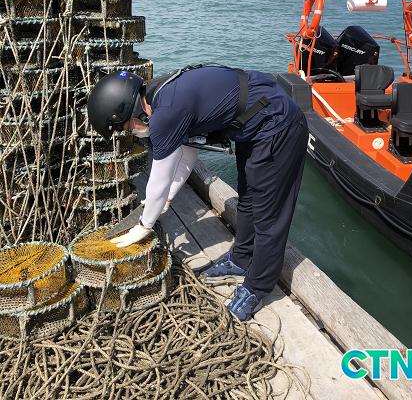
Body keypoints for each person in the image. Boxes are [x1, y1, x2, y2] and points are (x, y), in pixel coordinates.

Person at [87, 65, 308, 321]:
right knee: (247, 200)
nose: (132, 132)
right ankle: (241, 259)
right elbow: (187, 154)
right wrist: (168, 197)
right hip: (254, 124)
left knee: (269, 215)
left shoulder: (165, 115)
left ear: (131, 110)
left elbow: (159, 178)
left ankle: (257, 287)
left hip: (278, 124)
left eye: (127, 127)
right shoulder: (157, 94)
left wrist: (144, 225)